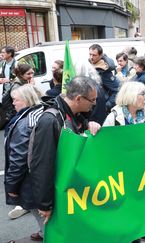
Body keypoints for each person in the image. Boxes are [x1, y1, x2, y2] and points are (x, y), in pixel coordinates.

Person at [29, 76, 101, 237]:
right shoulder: (50, 121)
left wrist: (90, 124)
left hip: (69, 191)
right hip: (57, 195)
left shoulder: (74, 114)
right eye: (92, 100)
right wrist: (45, 204)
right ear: (78, 98)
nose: (95, 104)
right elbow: (42, 165)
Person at [102, 81, 145, 242]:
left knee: (140, 199)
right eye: (142, 94)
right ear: (131, 96)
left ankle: (140, 227)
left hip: (141, 168)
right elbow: (104, 146)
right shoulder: (114, 117)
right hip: (121, 170)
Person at [4, 85, 44, 241]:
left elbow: (19, 158)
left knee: (37, 209)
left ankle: (47, 235)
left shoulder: (25, 123)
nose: (13, 103)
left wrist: (11, 185)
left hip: (31, 177)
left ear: (26, 100)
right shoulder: (37, 112)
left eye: (15, 100)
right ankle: (43, 232)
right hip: (39, 173)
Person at [2, 64, 35, 130]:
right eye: (28, 74)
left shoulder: (25, 82)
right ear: (21, 75)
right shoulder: (16, 86)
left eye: (32, 73)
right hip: (16, 114)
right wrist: (31, 87)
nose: (31, 76)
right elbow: (24, 101)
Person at [89, 44, 119, 111]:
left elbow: (117, 90)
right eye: (90, 54)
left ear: (100, 55)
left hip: (100, 107)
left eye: (94, 55)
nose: (91, 57)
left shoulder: (104, 71)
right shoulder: (91, 65)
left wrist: (107, 105)